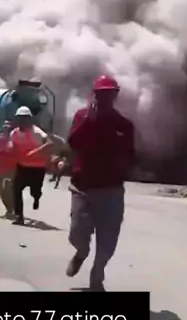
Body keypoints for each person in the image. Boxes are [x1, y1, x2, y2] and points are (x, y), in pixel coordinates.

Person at [66, 75, 135, 291]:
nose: (105, 99)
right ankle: (81, 253)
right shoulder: (81, 116)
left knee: (108, 240)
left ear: (115, 96)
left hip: (111, 190)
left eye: (109, 94)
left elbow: (130, 155)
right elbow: (73, 142)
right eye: (101, 94)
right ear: (94, 95)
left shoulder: (123, 125)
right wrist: (89, 121)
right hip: (83, 188)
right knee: (77, 233)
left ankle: (97, 274)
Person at [8, 106, 53, 225]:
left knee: (35, 190)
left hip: (38, 167)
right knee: (16, 188)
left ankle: (36, 197)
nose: (21, 121)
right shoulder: (14, 133)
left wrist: (34, 152)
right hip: (22, 166)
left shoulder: (36, 132)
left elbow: (49, 143)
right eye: (19, 118)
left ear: (29, 119)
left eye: (24, 118)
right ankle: (19, 216)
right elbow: (12, 146)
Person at [0, 121, 16, 218]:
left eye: (8, 128)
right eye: (5, 127)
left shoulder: (7, 140)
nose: (7, 129)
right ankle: (10, 210)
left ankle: (11, 210)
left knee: (7, 190)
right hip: (2, 169)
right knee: (3, 190)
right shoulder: (1, 139)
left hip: (10, 169)